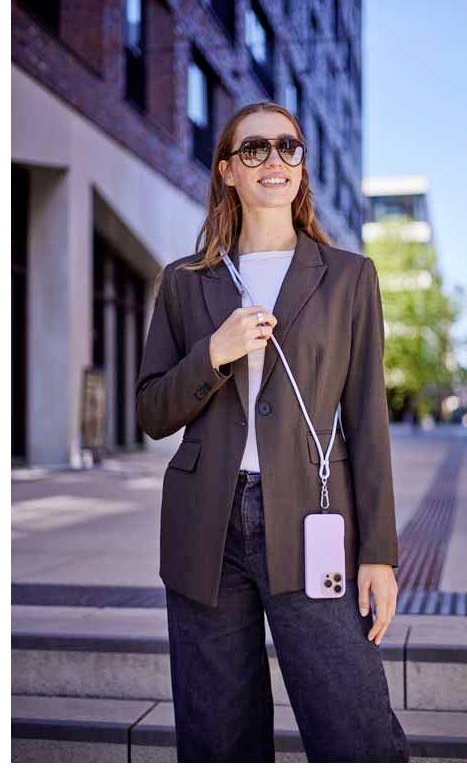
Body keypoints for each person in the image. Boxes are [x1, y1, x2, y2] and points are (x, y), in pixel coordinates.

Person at [136, 100, 410, 763]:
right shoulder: (184, 281)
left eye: (287, 147)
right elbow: (150, 411)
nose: (274, 160)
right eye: (253, 149)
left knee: (353, 728)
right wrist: (212, 352)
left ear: (302, 165)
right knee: (217, 739)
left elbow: (369, 421)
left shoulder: (348, 276)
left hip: (313, 521)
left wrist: (379, 550)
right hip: (207, 527)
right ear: (228, 171)